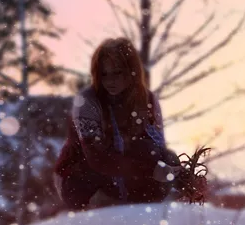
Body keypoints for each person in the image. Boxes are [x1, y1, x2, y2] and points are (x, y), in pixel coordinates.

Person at [53, 37, 183, 210]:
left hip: (125, 172)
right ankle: (96, 211)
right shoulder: (87, 101)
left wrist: (174, 173)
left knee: (166, 158)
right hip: (83, 176)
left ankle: (143, 210)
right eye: (104, 74)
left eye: (117, 73)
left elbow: (157, 148)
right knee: (92, 168)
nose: (110, 81)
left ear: (131, 72)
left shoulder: (148, 100)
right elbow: (96, 159)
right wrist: (149, 170)